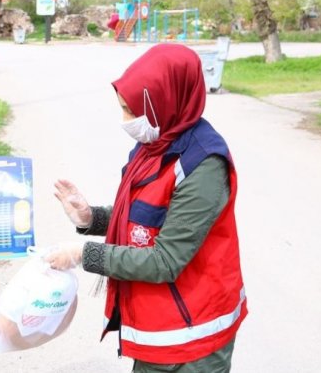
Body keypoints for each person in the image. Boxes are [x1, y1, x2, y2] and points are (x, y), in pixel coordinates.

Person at [45, 44, 247, 372]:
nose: (127, 120)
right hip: (160, 326)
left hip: (192, 337)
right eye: (124, 108)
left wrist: (84, 254)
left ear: (168, 100)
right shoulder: (156, 143)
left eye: (132, 110)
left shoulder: (203, 165)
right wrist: (91, 217)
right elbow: (144, 220)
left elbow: (165, 260)